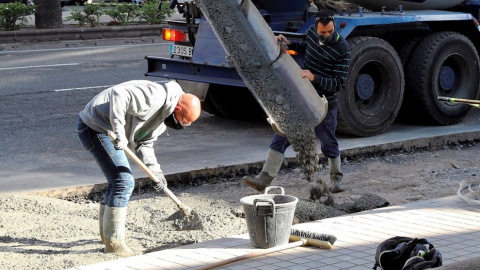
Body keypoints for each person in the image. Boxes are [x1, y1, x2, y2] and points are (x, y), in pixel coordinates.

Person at [76, 80, 201, 256]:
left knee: (116, 181)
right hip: (96, 126)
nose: (181, 126)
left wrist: (156, 172)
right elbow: (119, 94)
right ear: (178, 109)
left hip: (107, 130)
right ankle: (115, 245)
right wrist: (120, 132)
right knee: (124, 182)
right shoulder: (155, 96)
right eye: (183, 122)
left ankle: (107, 238)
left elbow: (145, 143)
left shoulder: (162, 118)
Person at [243, 9, 351, 194]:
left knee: (328, 142)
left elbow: (339, 84)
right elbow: (306, 46)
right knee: (283, 134)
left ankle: (336, 181)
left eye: (330, 32)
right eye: (322, 33)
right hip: (303, 95)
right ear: (316, 28)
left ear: (334, 27)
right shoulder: (311, 34)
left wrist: (314, 77)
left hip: (324, 103)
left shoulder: (342, 49)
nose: (325, 36)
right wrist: (290, 44)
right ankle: (264, 179)